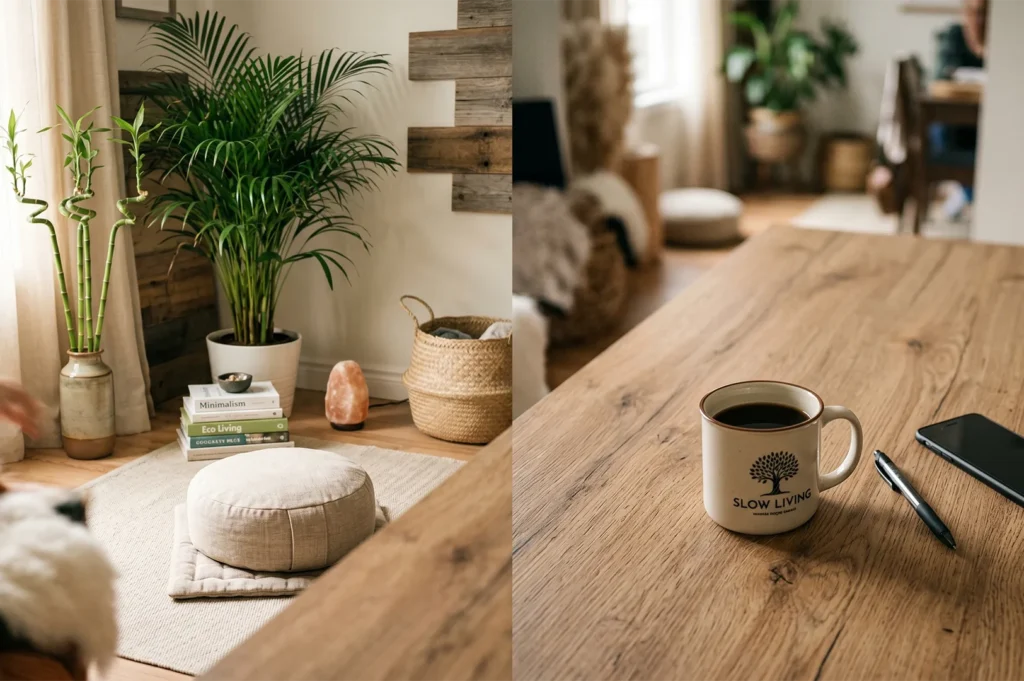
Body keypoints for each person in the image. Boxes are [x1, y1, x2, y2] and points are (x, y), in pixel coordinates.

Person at [932, 0, 988, 219]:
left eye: (984, 14)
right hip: (954, 125)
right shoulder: (954, 36)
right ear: (966, 13)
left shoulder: (1000, 42)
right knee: (940, 129)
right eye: (975, 12)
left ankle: (965, 196)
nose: (979, 19)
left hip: (983, 123)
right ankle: (970, 196)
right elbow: (941, 76)